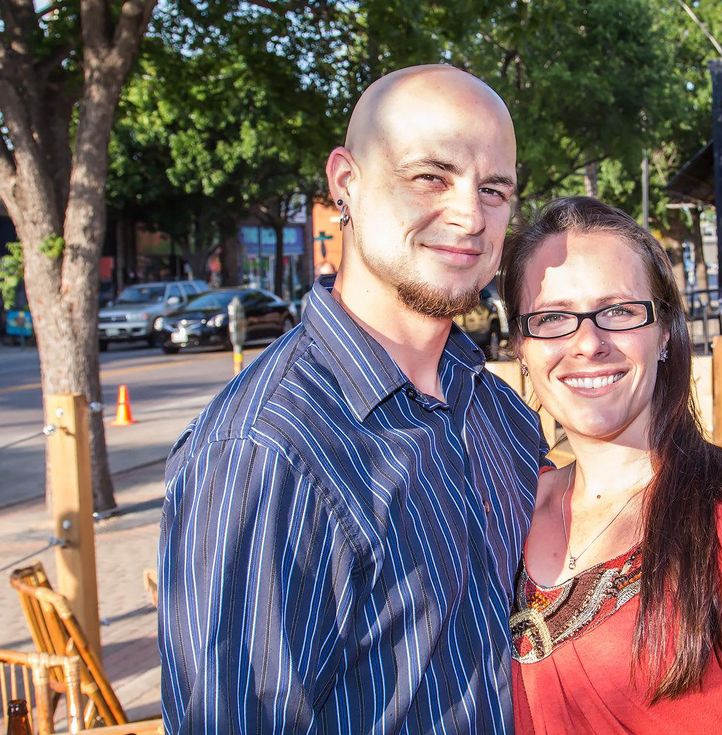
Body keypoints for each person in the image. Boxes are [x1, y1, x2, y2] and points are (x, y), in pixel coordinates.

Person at [158, 65, 549, 733]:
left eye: (493, 189)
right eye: (431, 176)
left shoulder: (499, 411)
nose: (469, 215)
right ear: (346, 183)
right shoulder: (265, 453)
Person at [502, 198, 722, 734]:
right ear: (521, 347)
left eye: (619, 311)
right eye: (552, 318)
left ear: (664, 332)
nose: (588, 343)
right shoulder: (508, 506)